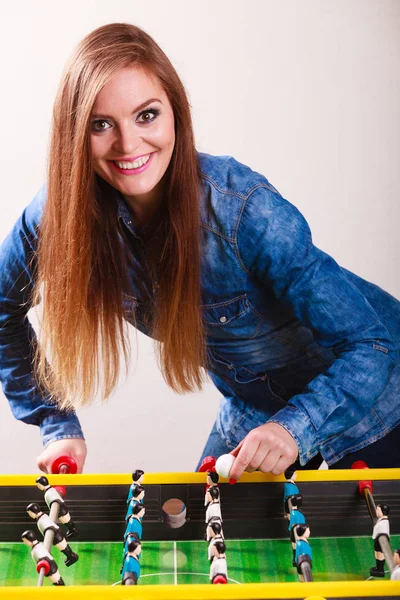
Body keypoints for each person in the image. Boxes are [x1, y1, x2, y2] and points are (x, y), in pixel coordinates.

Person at [0, 23, 399, 479]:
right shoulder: (59, 215)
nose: (128, 144)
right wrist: (54, 423)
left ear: (175, 112)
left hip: (378, 394)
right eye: (100, 124)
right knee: (195, 539)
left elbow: (370, 344)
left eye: (146, 115)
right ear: (74, 134)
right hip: (256, 407)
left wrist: (294, 429)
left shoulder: (241, 208)